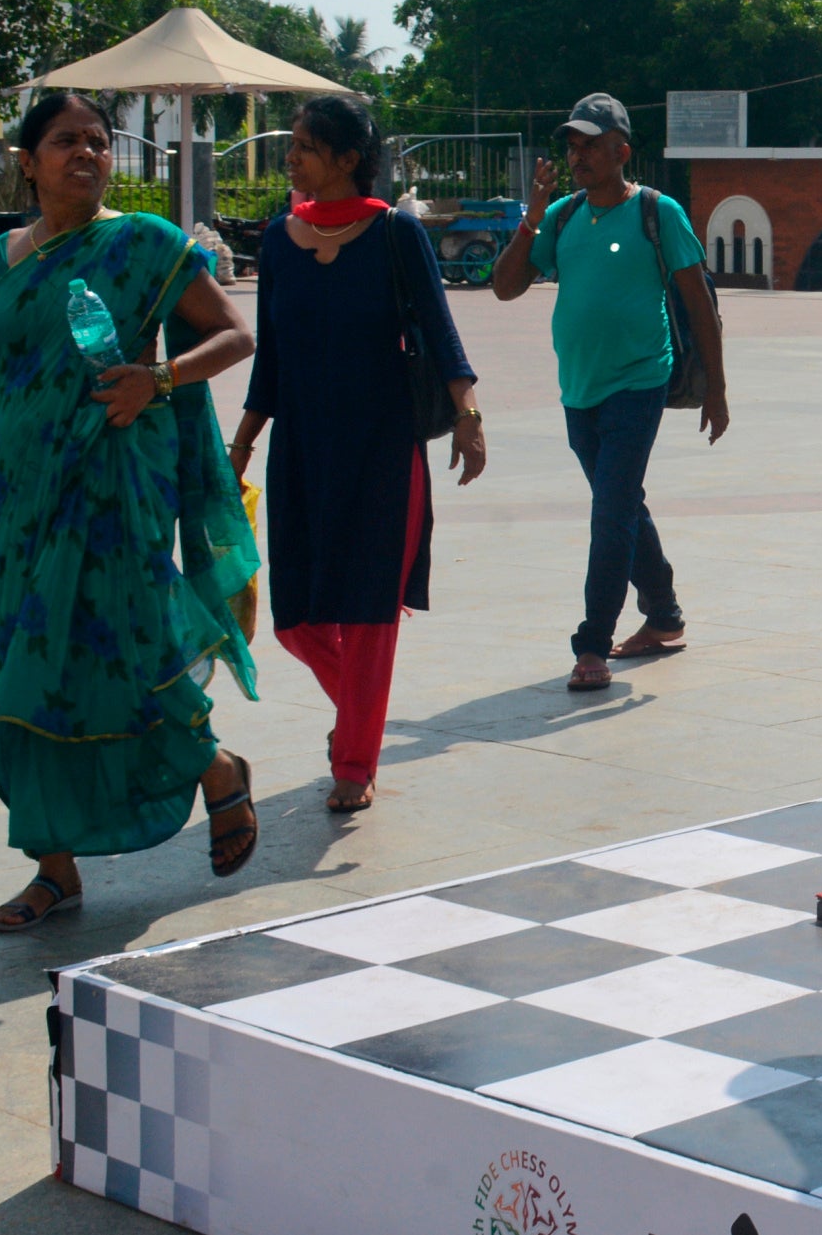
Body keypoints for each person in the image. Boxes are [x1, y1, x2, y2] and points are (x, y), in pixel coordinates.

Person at [0, 92, 264, 932]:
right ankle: (54, 869)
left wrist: (156, 379)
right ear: (27, 161)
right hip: (24, 500)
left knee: (126, 646)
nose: (86, 152)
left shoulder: (143, 243)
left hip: (114, 488)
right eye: (65, 141)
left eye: (98, 140)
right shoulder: (0, 261)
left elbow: (235, 336)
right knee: (33, 666)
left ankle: (214, 766)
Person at [230, 94, 487, 813]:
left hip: (383, 448)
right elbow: (270, 360)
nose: (292, 158)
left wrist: (467, 417)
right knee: (297, 617)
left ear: (347, 160)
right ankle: (360, 716)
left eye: (306, 146)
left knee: (370, 611)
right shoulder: (278, 242)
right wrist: (243, 442)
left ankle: (355, 759)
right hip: (302, 451)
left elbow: (440, 332)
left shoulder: (397, 234)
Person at [492, 93, 727, 691]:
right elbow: (505, 287)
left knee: (610, 511)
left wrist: (717, 389)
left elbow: (698, 301)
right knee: (622, 505)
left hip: (639, 382)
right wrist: (533, 215)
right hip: (579, 389)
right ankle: (665, 615)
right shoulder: (564, 216)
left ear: (622, 151)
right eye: (573, 146)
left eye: (591, 145)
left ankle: (592, 642)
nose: (578, 156)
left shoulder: (657, 211)